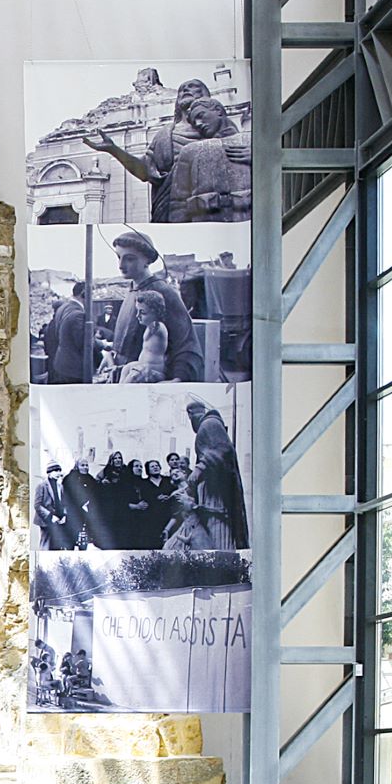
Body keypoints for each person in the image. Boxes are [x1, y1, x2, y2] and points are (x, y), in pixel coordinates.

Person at [81, 77, 248, 223]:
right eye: (182, 89)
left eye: (193, 87)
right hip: (169, 207)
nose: (186, 90)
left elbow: (236, 160)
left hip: (211, 206)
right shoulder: (165, 135)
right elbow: (145, 171)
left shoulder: (218, 126)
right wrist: (114, 150)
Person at [107, 231, 205, 382]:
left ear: (147, 260)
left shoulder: (163, 292)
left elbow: (186, 345)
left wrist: (177, 379)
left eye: (130, 259)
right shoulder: (132, 290)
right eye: (119, 257)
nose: (120, 265)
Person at [169, 95, 253, 221]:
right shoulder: (189, 152)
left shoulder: (251, 140)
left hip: (248, 225)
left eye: (201, 115)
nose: (198, 124)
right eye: (194, 122)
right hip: (205, 226)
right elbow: (177, 206)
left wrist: (261, 159)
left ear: (218, 111)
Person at [185, 397, 250, 549]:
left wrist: (199, 468)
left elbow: (222, 449)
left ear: (191, 414)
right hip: (211, 489)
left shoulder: (210, 424)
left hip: (216, 491)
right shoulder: (209, 424)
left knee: (218, 529)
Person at [42, 280, 95, 385]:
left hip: (61, 363)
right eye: (91, 295)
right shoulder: (78, 314)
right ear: (84, 294)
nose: (92, 299)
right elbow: (84, 344)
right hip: (73, 369)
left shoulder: (63, 307)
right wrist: (101, 343)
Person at [118, 290, 170, 383]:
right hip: (143, 367)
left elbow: (156, 326)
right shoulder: (149, 326)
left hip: (153, 371)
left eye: (142, 312)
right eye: (137, 311)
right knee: (127, 368)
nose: (137, 315)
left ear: (155, 312)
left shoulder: (158, 326)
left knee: (133, 376)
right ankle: (121, 387)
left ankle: (124, 389)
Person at [35, 463, 77, 552]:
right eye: (56, 471)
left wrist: (64, 515)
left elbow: (64, 503)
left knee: (57, 546)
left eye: (59, 471)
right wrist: (50, 516)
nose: (59, 473)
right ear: (49, 473)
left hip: (58, 520)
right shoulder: (42, 486)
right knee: (46, 546)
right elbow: (38, 505)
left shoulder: (60, 486)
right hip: (46, 521)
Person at [59, 456, 99, 552]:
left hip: (86, 513)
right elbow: (66, 495)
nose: (85, 467)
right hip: (73, 512)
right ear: (77, 466)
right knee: (71, 538)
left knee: (84, 538)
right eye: (82, 465)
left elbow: (95, 494)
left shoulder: (91, 479)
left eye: (86, 465)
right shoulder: (69, 478)